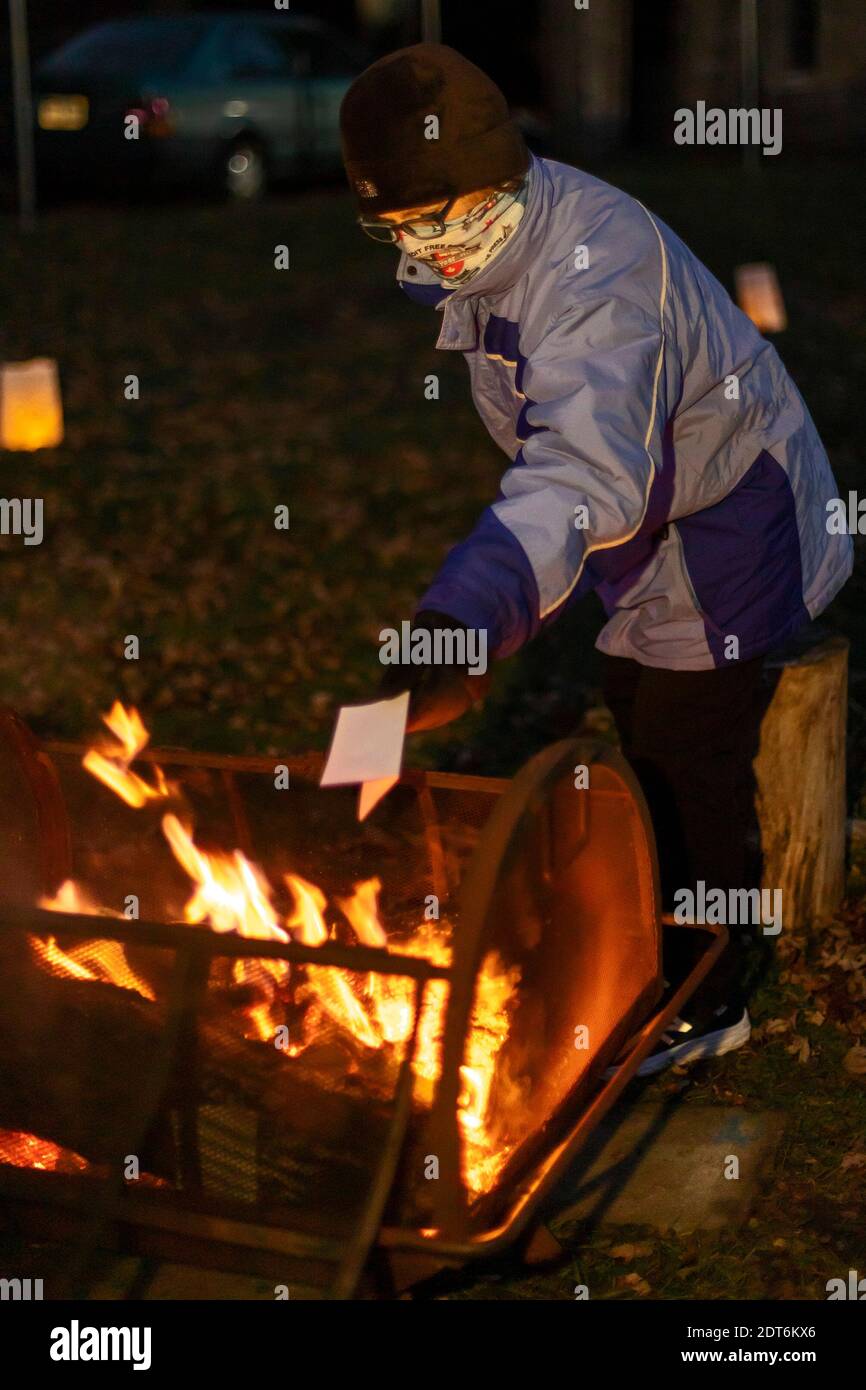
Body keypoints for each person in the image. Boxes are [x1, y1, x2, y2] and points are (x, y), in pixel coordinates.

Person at [339, 44, 852, 1073]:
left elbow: (582, 468)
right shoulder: (496, 238)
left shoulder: (595, 272)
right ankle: (643, 931)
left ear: (501, 177)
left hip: (732, 513)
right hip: (652, 516)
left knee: (681, 748)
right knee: (631, 696)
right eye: (395, 228)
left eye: (438, 222)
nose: (425, 250)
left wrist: (467, 613)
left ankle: (708, 989)